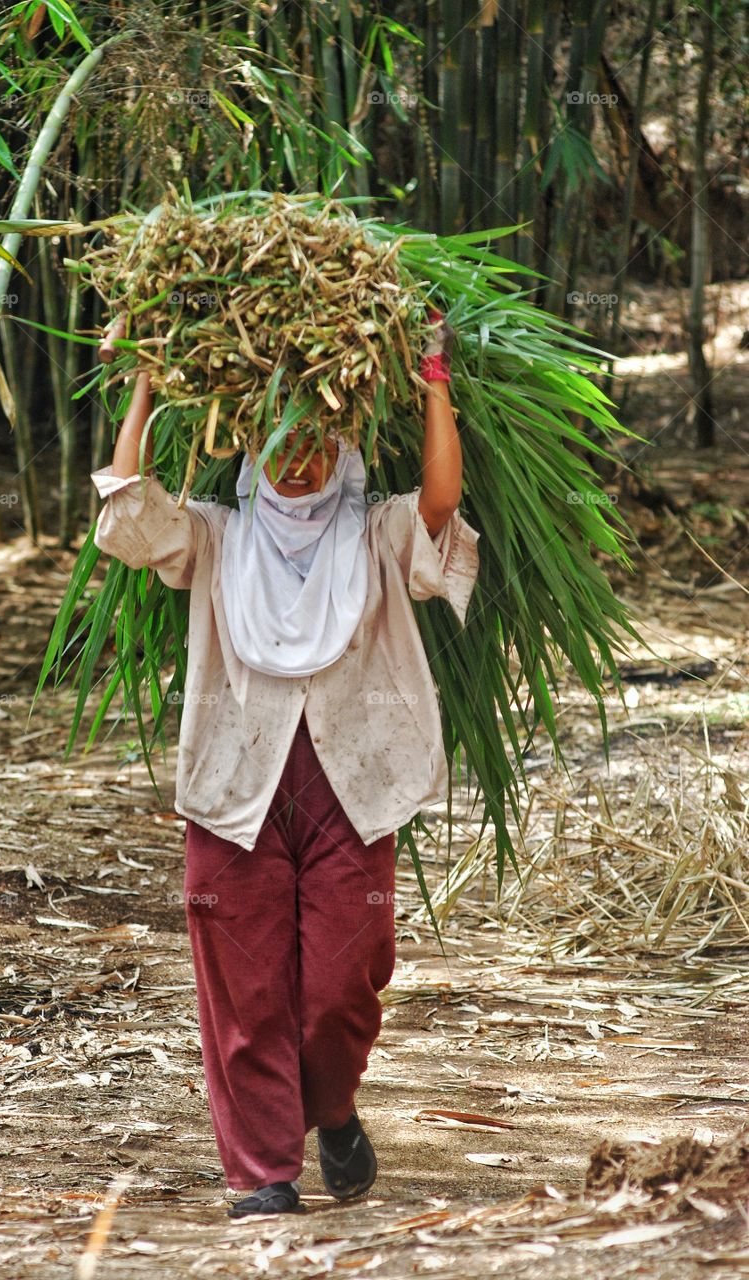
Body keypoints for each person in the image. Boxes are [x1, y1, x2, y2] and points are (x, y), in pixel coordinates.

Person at [91, 312, 480, 1218]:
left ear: (340, 447)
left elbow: (439, 506)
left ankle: (332, 1107)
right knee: (246, 989)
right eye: (280, 445)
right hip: (238, 789)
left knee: (345, 983)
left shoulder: (375, 533)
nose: (297, 462)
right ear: (252, 453)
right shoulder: (217, 537)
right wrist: (147, 374)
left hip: (353, 786)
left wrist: (433, 379)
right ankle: (263, 1172)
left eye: (314, 442)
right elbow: (128, 511)